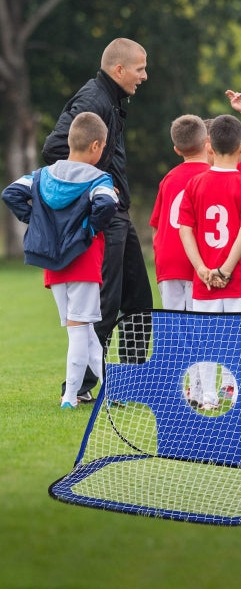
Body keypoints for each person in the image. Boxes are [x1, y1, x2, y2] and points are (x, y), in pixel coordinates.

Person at [42, 38, 152, 401]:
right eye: (139, 69)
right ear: (118, 70)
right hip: (105, 216)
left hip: (119, 213)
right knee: (105, 302)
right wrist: (97, 186)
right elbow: (56, 149)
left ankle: (131, 382)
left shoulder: (111, 100)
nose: (144, 76)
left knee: (137, 298)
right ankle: (86, 387)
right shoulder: (93, 101)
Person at [3, 112, 118, 408]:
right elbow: (106, 203)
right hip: (84, 260)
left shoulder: (42, 176)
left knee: (82, 328)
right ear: (96, 146)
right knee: (80, 331)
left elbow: (11, 193)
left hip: (54, 265)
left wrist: (37, 222)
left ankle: (111, 390)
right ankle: (70, 398)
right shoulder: (99, 178)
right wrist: (89, 229)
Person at [178, 114, 241, 409]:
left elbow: (185, 230)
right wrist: (225, 270)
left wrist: (202, 268)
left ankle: (208, 397)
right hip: (238, 279)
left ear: (209, 146)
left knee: (205, 341)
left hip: (204, 281)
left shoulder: (195, 183)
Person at [150, 114, 210, 312]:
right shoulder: (212, 176)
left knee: (174, 331)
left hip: (168, 261)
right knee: (199, 328)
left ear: (176, 149)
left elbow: (156, 226)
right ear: (207, 142)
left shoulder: (169, 178)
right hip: (199, 261)